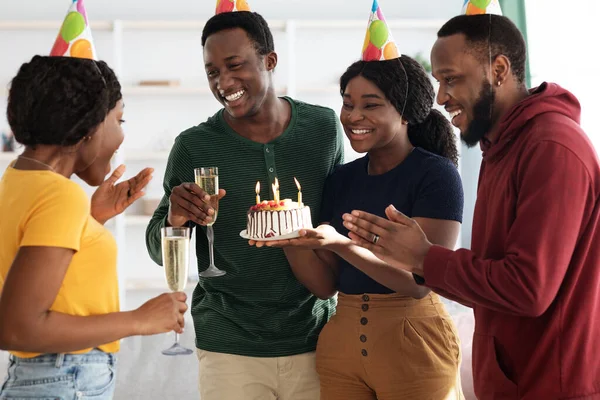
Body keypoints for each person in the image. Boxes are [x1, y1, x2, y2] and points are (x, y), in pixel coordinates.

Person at [343, 12, 600, 400]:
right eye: (438, 81)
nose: (441, 97)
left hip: (551, 385)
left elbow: (528, 288)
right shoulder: (501, 148)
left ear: (498, 69)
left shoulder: (551, 148)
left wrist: (424, 258)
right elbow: (493, 276)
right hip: (512, 382)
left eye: (451, 79)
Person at [252, 3, 465, 398]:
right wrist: (287, 240)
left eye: (371, 105)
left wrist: (342, 244)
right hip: (342, 346)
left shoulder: (436, 175)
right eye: (348, 103)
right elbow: (324, 286)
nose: (353, 116)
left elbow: (420, 283)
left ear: (405, 112)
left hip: (414, 343)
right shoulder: (342, 180)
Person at [145, 9, 344, 400]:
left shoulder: (324, 130)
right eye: (212, 72)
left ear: (269, 61)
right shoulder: (193, 145)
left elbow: (336, 228)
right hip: (228, 343)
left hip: (316, 337)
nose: (224, 82)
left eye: (235, 66)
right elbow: (159, 249)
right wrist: (175, 218)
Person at [0, 55, 188, 399]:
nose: (120, 135)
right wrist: (139, 319)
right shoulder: (61, 196)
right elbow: (17, 327)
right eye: (118, 119)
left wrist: (90, 221)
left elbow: (49, 278)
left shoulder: (18, 178)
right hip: (63, 380)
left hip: (51, 379)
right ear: (87, 130)